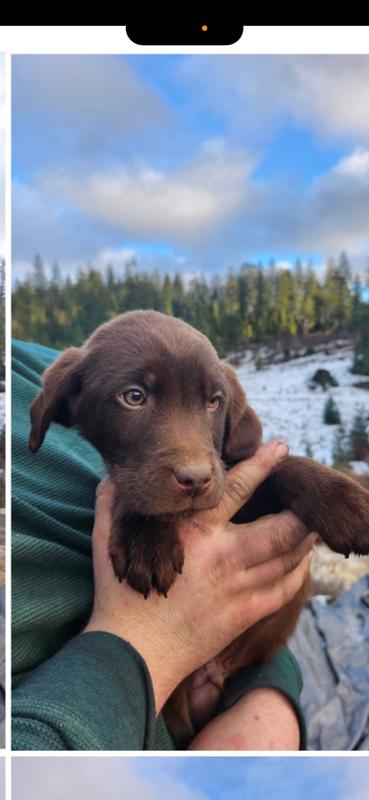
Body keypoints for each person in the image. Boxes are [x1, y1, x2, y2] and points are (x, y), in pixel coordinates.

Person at [12, 340, 315, 751]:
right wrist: (145, 644)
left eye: (210, 401)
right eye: (135, 397)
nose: (193, 462)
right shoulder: (66, 384)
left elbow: (235, 556)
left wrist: (266, 692)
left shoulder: (31, 364)